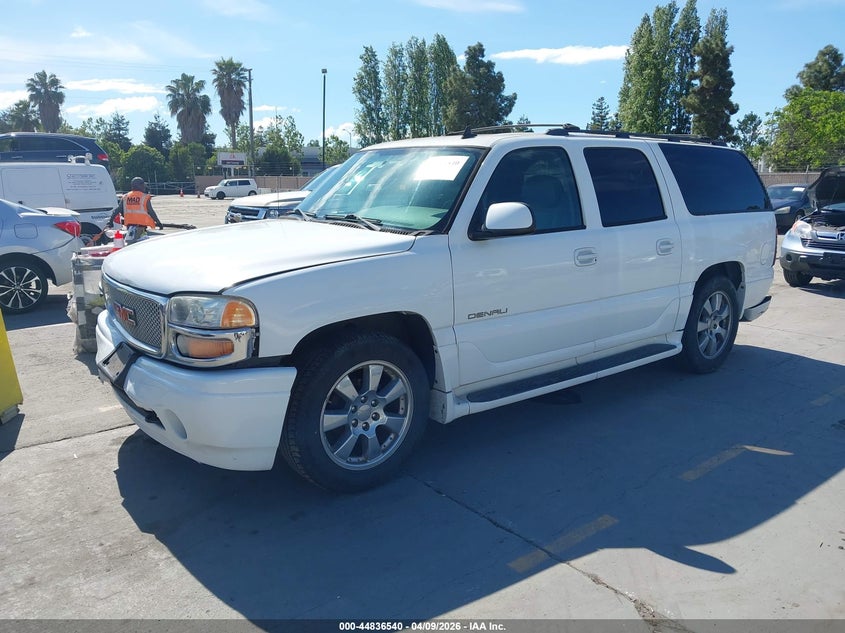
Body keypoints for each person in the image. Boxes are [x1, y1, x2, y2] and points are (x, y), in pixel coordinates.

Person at [109, 177, 163, 244]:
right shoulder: (144, 197)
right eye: (143, 185)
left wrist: (110, 221)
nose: (144, 187)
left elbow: (117, 210)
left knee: (132, 244)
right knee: (141, 244)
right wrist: (158, 222)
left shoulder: (126, 197)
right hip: (141, 227)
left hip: (130, 227)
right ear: (140, 185)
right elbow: (151, 211)